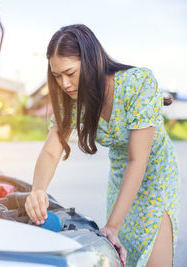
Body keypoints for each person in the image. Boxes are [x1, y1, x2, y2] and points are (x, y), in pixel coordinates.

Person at [25, 24, 181, 267]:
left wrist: (112, 225)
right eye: (57, 76)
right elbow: (51, 148)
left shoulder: (138, 83)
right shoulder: (73, 98)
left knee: (153, 259)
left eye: (70, 73)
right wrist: (38, 190)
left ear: (91, 60)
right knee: (123, 254)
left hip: (154, 174)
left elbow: (138, 160)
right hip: (121, 176)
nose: (65, 84)